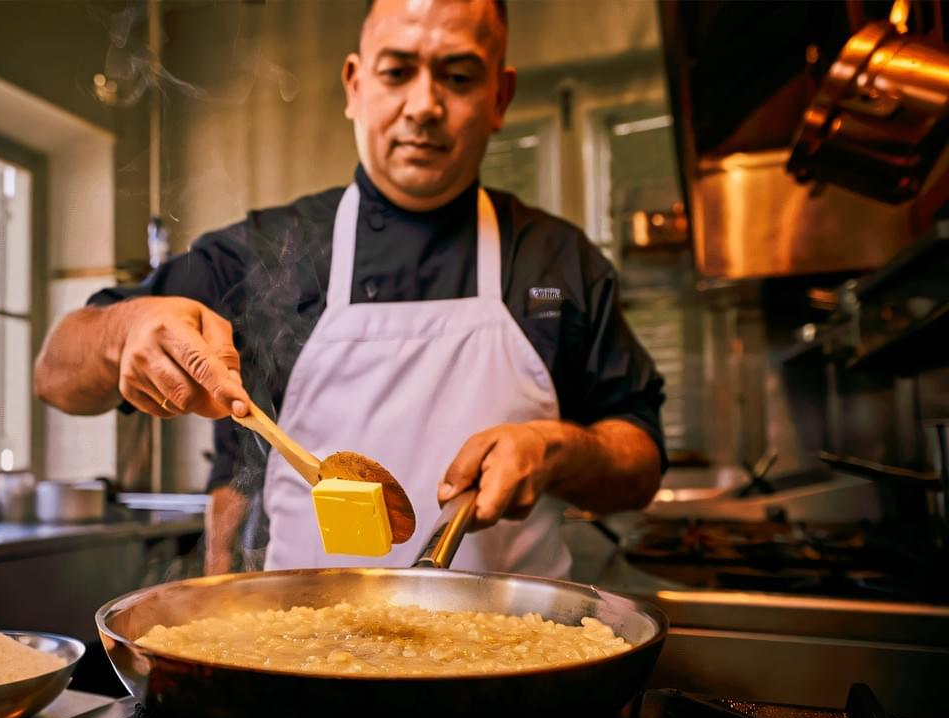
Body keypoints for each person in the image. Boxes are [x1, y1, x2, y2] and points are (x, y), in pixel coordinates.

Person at [35, 0, 665, 578]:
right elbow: (56, 374)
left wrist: (561, 450)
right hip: (300, 662)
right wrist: (125, 331)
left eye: (459, 76)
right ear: (355, 86)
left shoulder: (557, 260)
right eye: (397, 73)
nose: (424, 104)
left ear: (499, 97)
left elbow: (640, 462)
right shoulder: (267, 249)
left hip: (515, 677)